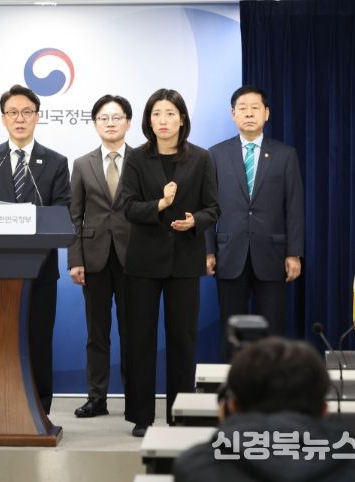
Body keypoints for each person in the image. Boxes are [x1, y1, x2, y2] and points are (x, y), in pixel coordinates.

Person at [0, 84, 71, 414]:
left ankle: (39, 410)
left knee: (38, 339)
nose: (20, 119)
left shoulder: (55, 162)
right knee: (4, 340)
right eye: (13, 112)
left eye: (27, 112)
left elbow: (62, 213)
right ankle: (0, 406)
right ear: (3, 118)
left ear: (37, 117)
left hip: (41, 270)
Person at [122, 88, 219, 437]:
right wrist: (160, 206)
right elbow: (128, 207)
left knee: (182, 339)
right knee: (140, 339)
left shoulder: (201, 158)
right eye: (156, 114)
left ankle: (180, 413)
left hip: (184, 261)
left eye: (170, 114)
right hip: (143, 262)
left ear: (182, 119)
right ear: (149, 121)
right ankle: (141, 415)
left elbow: (213, 208)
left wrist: (196, 222)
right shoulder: (136, 158)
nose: (163, 120)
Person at [174, 337, 355, 482]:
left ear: (231, 406)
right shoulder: (352, 466)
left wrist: (227, 426)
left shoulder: (194, 468)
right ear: (324, 410)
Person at [205, 85, 304, 348]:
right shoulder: (216, 154)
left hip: (273, 254)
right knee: (232, 329)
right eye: (242, 108)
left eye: (255, 108)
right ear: (233, 114)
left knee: (273, 328)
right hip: (229, 254)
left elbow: (294, 207)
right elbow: (207, 207)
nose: (249, 113)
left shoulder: (285, 155)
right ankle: (235, 375)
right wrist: (208, 251)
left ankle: (271, 375)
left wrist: (294, 253)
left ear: (266, 113)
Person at [68, 94, 133, 418]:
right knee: (97, 334)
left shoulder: (141, 160)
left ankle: (136, 397)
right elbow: (74, 216)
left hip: (134, 259)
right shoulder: (82, 164)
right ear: (95, 124)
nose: (110, 123)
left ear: (128, 123)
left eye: (116, 117)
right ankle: (97, 398)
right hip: (93, 259)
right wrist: (75, 259)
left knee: (133, 332)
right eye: (103, 118)